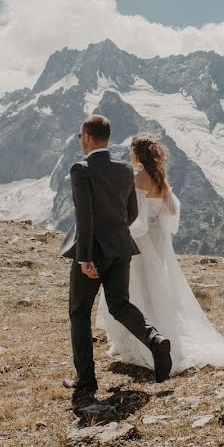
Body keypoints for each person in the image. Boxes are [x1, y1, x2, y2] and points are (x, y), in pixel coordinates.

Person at [96, 133, 224, 375]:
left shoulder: (136, 178)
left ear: (137, 153)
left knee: (132, 289)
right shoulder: (159, 178)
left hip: (139, 241)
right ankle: (157, 332)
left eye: (131, 149)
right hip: (158, 241)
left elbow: (137, 220)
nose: (129, 153)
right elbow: (169, 215)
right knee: (155, 289)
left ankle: (133, 340)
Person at [58, 116, 173, 408]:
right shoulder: (125, 169)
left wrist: (84, 257)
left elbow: (85, 218)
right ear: (107, 138)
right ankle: (155, 340)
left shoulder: (81, 169)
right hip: (122, 249)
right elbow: (132, 213)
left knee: (79, 312)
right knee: (120, 304)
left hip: (93, 253)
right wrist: (116, 235)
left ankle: (86, 377)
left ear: (86, 136)